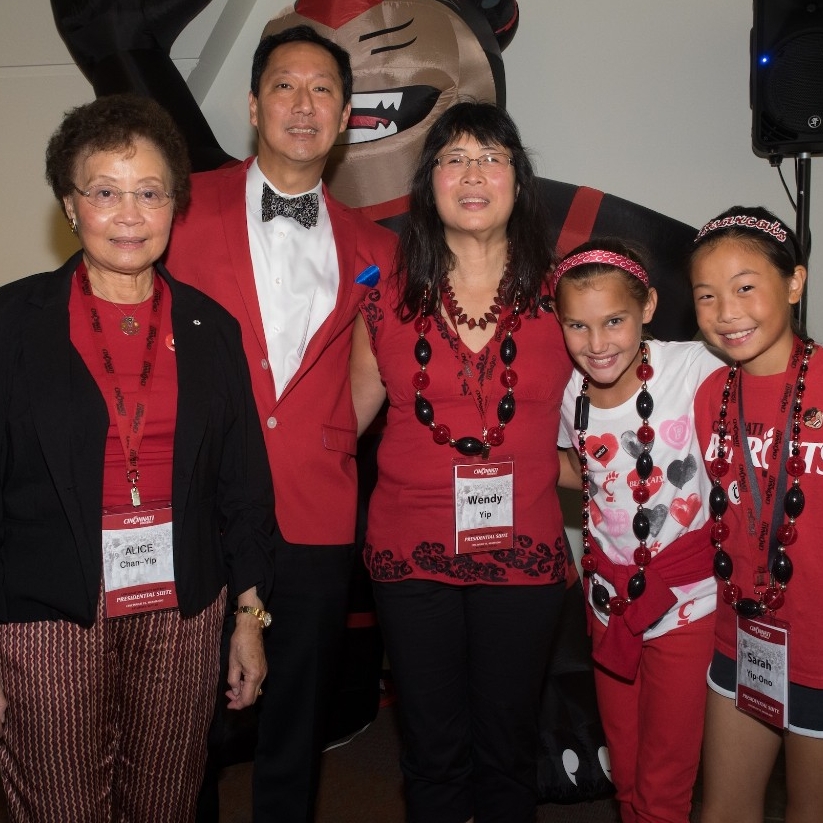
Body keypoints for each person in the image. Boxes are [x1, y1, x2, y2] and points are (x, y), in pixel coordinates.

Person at [0, 93, 275, 823]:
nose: (129, 214)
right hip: (49, 613)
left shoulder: (211, 328)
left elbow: (244, 485)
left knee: (166, 799)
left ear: (175, 205)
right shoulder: (12, 323)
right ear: (70, 204)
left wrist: (249, 617)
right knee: (57, 804)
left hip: (183, 606)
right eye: (105, 192)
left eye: (150, 192)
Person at [162, 24, 397, 823]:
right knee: (189, 718)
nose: (303, 104)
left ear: (344, 116)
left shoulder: (375, 249)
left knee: (296, 716)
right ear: (254, 105)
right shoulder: (181, 207)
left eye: (322, 89)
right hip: (197, 500)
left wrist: (327, 434)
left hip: (314, 505)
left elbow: (371, 367)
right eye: (285, 86)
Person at [349, 100, 571, 823]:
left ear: (518, 180)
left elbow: (614, 415)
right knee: (432, 752)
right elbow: (341, 425)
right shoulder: (383, 298)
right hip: (409, 555)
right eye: (453, 159)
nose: (472, 174)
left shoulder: (565, 295)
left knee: (507, 749)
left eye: (490, 158)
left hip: (524, 550)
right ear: (429, 183)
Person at [552, 239, 723, 822]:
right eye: (577, 325)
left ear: (647, 306)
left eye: (614, 321)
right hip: (611, 604)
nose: (597, 344)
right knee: (624, 766)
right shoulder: (569, 390)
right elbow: (581, 467)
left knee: (665, 777)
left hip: (686, 603)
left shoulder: (695, 367)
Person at [690, 206, 823, 823]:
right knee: (722, 810)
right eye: (707, 295)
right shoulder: (710, 397)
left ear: (794, 283)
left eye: (745, 287)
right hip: (744, 636)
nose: (726, 311)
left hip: (819, 647)